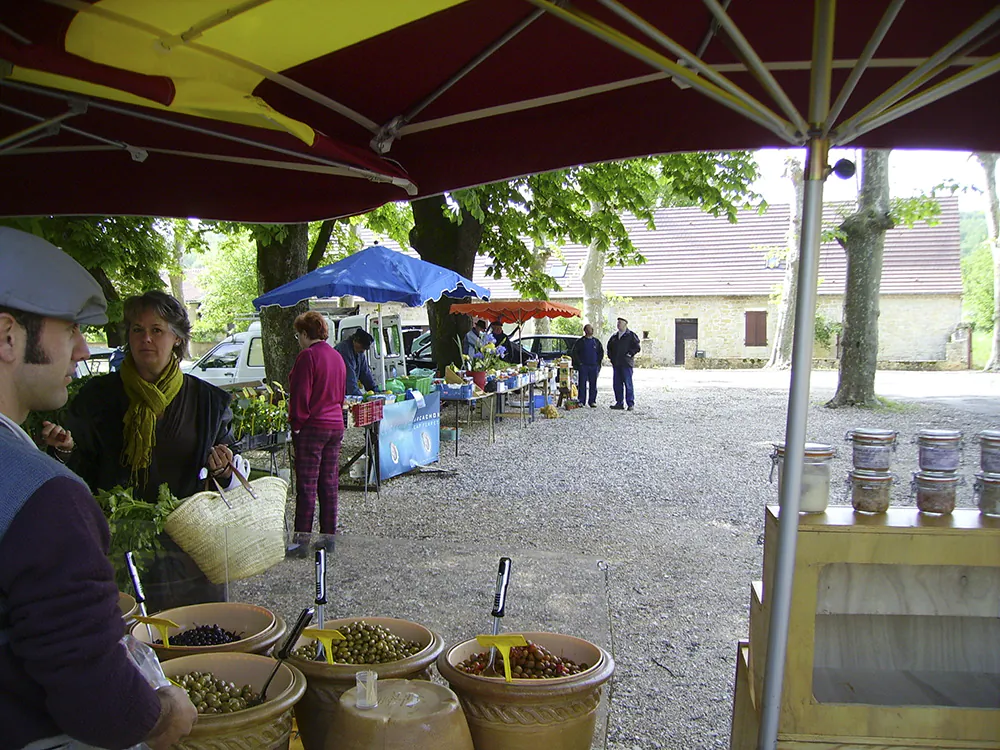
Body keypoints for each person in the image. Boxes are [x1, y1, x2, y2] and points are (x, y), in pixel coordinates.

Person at [0, 227, 196, 749]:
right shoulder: (45, 497)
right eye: (69, 329)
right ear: (8, 336)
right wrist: (160, 715)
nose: (85, 348)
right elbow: (88, 683)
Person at [45, 290, 239, 611]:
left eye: (157, 330)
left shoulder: (208, 403)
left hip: (189, 555)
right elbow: (78, 478)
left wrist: (222, 467)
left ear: (177, 338)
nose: (145, 338)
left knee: (192, 643)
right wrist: (65, 452)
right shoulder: (96, 399)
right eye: (137, 329)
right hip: (118, 553)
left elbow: (230, 474)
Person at [289, 312, 346, 548]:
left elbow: (300, 395)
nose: (298, 340)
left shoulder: (307, 357)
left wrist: (297, 425)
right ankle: (327, 538)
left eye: (298, 335)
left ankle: (301, 542)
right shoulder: (337, 357)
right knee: (329, 483)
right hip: (335, 424)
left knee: (307, 485)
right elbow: (342, 393)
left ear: (304, 334)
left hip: (313, 425)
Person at [606, 317, 641, 411]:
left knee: (628, 383)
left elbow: (637, 347)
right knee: (617, 384)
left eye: (620, 323)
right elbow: (609, 348)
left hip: (626, 363)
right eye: (618, 323)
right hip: (616, 363)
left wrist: (629, 354)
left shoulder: (631, 335)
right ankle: (619, 403)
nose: (618, 325)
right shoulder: (614, 337)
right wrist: (611, 358)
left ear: (625, 324)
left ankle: (630, 403)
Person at [335, 329, 378, 396]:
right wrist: (358, 396)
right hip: (338, 390)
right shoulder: (344, 350)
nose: (363, 350)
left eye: (365, 349)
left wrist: (375, 390)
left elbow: (365, 373)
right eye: (362, 347)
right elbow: (349, 377)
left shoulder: (359, 352)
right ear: (355, 340)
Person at [571, 324, 604, 408]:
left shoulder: (596, 342)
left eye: (591, 329)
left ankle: (592, 401)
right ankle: (581, 401)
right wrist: (579, 363)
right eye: (588, 329)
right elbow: (574, 353)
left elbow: (601, 352)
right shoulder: (580, 342)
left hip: (593, 366)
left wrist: (598, 363)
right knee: (582, 384)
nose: (590, 331)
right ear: (585, 331)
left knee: (593, 384)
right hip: (583, 366)